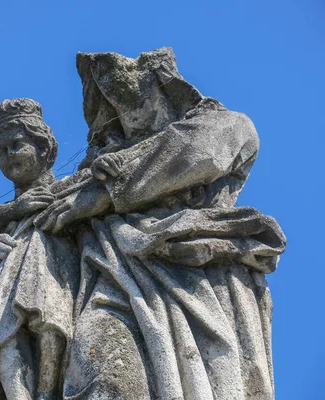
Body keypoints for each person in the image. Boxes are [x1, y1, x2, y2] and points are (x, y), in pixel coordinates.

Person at [34, 48, 287, 399]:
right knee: (104, 382)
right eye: (112, 108)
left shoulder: (226, 125)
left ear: (160, 85)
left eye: (129, 102)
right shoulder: (95, 170)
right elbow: (42, 211)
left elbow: (199, 151)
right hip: (113, 279)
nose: (123, 117)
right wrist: (12, 246)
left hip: (197, 282)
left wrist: (110, 191)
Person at [0, 98, 79, 400]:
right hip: (8, 289)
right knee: (6, 341)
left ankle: (46, 392)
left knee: (51, 325)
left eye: (16, 145)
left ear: (44, 147)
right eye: (1, 152)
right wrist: (17, 208)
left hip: (55, 277)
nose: (9, 155)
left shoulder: (70, 187)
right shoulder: (10, 212)